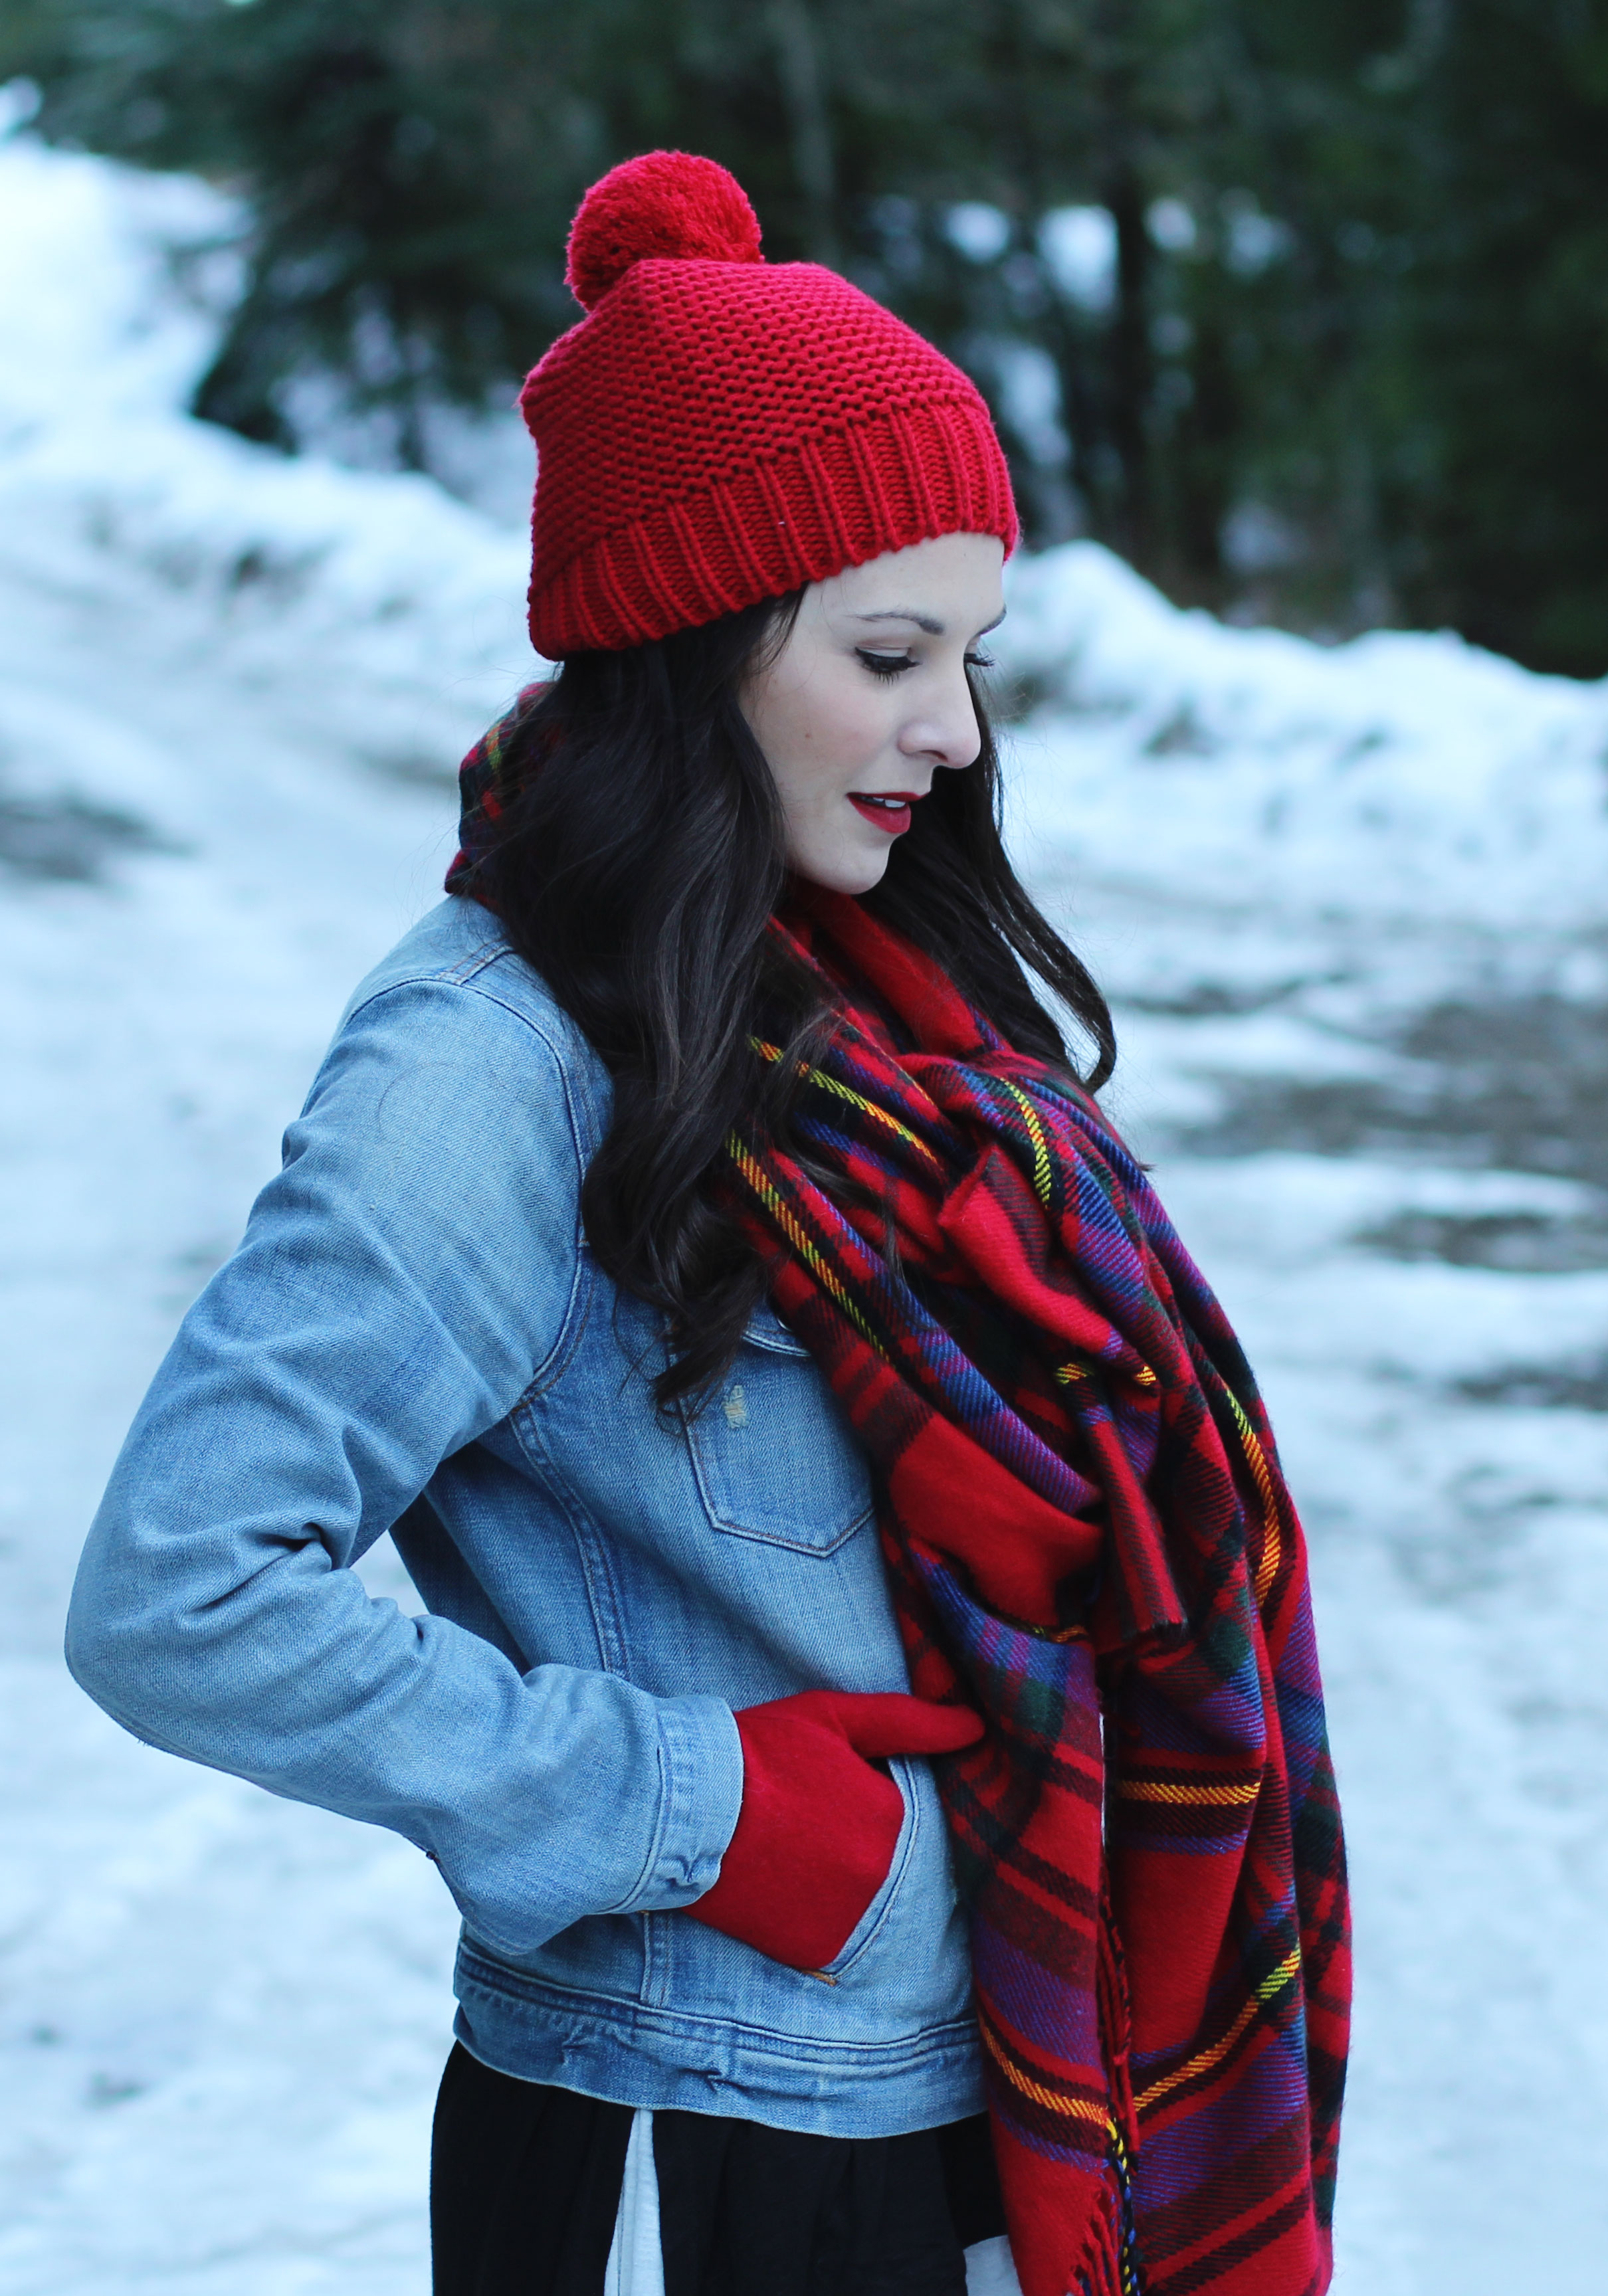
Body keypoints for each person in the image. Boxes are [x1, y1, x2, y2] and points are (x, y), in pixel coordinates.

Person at [66, 151, 1350, 2296]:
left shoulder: (856, 1007)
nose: (950, 731)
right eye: (887, 652)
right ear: (695, 640)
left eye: (970, 656)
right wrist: (711, 1812)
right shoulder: (492, 1063)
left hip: (978, 2080)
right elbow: (178, 1590)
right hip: (707, 2128)